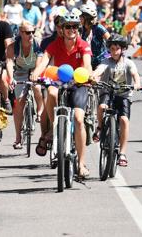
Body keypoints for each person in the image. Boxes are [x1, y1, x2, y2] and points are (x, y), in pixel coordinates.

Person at [31, 12, 93, 178]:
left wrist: (89, 75)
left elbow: (87, 64)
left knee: (79, 120)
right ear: (62, 29)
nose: (71, 29)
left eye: (74, 26)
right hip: (59, 82)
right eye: (68, 26)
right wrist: (36, 73)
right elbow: (44, 61)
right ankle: (54, 127)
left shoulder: (83, 44)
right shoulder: (54, 44)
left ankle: (81, 164)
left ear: (78, 28)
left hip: (79, 83)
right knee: (51, 91)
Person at [92, 34, 141, 167]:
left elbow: (135, 74)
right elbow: (99, 70)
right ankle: (101, 127)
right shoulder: (106, 61)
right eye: (112, 49)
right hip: (107, 92)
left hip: (124, 95)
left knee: (124, 120)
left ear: (123, 49)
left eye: (117, 49)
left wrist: (136, 84)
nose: (114, 51)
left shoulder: (128, 63)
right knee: (102, 107)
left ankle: (123, 153)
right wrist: (93, 77)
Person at [7, 21, 44, 149]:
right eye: (28, 33)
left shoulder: (37, 43)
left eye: (33, 32)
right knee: (18, 103)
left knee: (37, 87)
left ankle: (39, 111)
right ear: (20, 33)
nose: (31, 35)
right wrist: (11, 78)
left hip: (36, 69)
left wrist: (35, 73)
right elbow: (9, 63)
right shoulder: (13, 46)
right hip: (21, 71)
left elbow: (40, 61)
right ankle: (18, 137)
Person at [80, 5, 111, 69]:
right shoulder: (82, 29)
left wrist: (108, 56)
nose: (79, 18)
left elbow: (111, 41)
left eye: (81, 16)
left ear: (86, 18)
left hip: (101, 61)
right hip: (88, 61)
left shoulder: (98, 28)